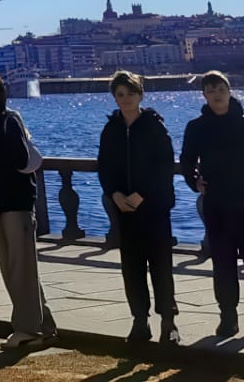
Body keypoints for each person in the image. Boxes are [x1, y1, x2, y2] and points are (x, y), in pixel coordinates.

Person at [180, 71, 244, 339]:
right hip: (217, 205)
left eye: (220, 89)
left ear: (229, 91)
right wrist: (194, 182)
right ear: (204, 95)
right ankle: (228, 318)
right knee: (222, 264)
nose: (216, 94)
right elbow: (186, 160)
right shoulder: (197, 127)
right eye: (210, 90)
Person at [0, 73, 56, 350]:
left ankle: (27, 329)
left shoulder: (9, 121)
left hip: (15, 203)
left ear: (2, 94)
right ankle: (44, 326)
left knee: (20, 268)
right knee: (14, 268)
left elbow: (21, 158)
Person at [98, 71, 181, 346]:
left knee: (160, 265)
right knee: (131, 267)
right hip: (124, 210)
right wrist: (115, 193)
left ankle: (168, 320)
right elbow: (105, 166)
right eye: (120, 95)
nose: (126, 99)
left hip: (154, 207)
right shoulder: (111, 130)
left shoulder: (154, 126)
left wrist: (143, 194)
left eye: (130, 93)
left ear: (140, 95)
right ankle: (139, 320)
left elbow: (164, 165)